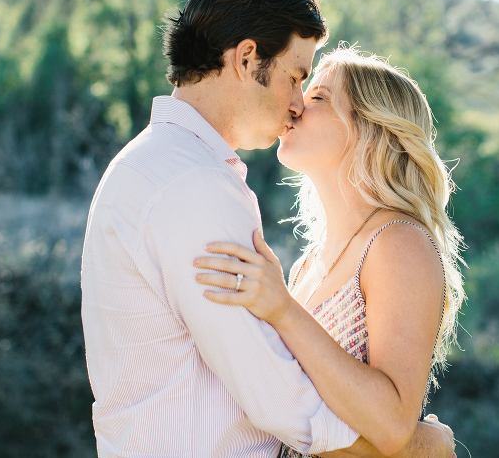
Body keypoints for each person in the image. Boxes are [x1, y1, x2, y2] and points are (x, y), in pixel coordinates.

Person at [80, 0, 455, 458]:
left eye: (314, 92)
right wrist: (420, 448)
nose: (296, 103)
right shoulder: (195, 187)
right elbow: (278, 396)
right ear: (247, 59)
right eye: (298, 78)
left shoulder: (156, 166)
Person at [193, 47, 465, 458]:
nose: (296, 104)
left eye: (318, 97)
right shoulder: (309, 264)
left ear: (371, 127)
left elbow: (393, 426)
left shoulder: (398, 242)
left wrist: (282, 309)